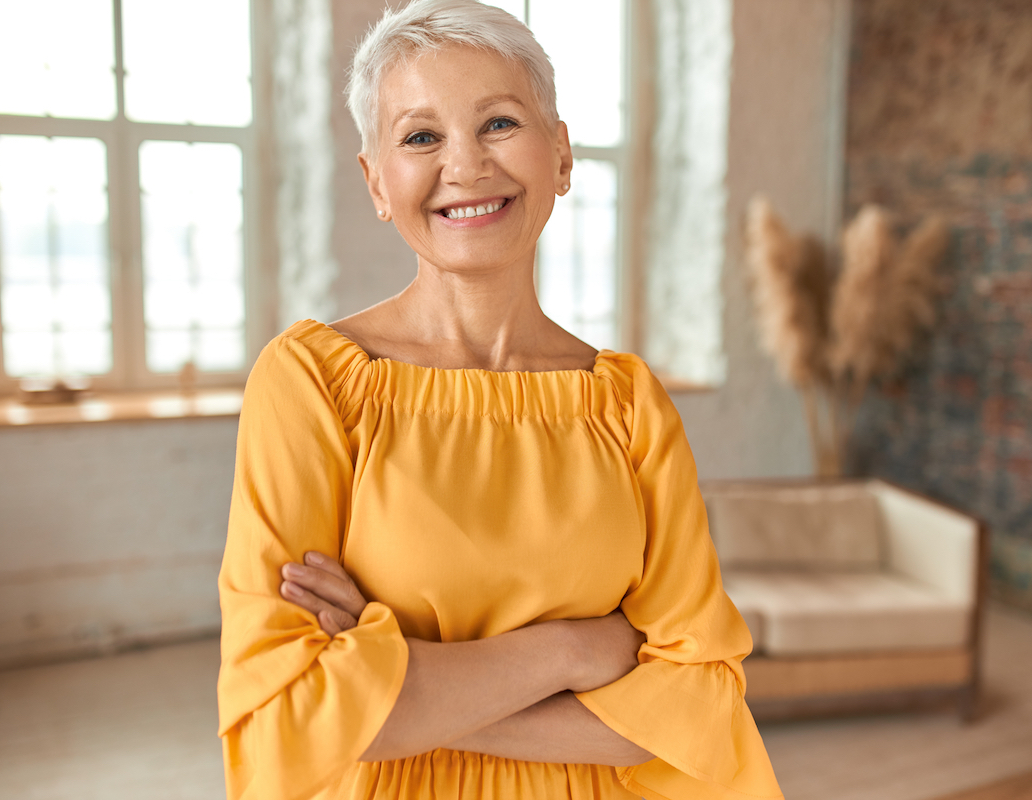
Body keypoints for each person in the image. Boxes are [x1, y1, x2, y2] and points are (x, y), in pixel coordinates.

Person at [216, 1, 783, 798]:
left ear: (561, 157)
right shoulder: (313, 383)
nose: (466, 166)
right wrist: (573, 656)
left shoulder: (626, 407)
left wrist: (394, 685)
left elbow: (699, 704)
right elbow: (286, 712)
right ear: (377, 181)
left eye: (500, 123)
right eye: (420, 136)